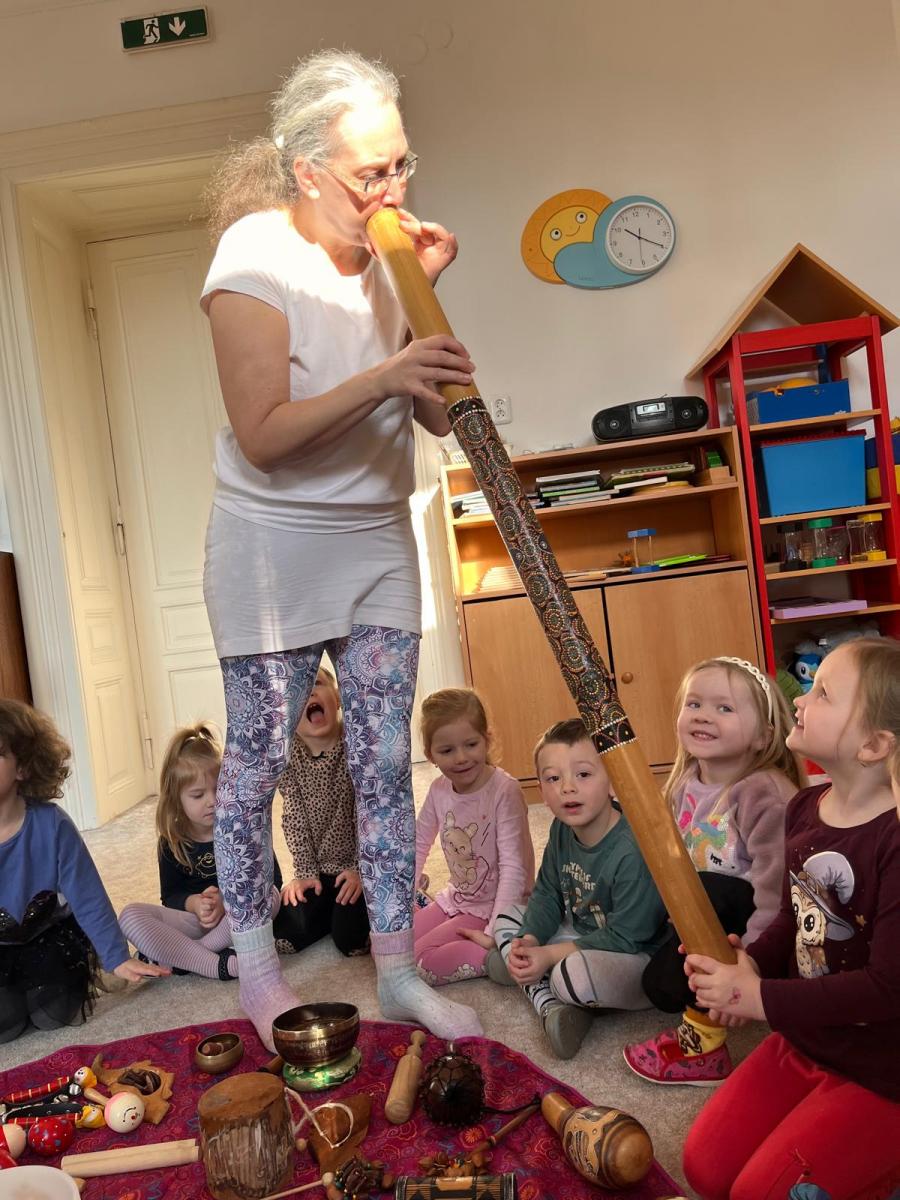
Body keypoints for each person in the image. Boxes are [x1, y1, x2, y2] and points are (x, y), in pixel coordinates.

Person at [200, 48, 481, 1047]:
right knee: (255, 771)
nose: (392, 190)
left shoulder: (394, 261)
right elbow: (265, 435)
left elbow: (439, 417)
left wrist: (423, 295)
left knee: (382, 767)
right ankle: (259, 973)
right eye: (371, 173)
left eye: (402, 165)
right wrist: (385, 374)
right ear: (308, 169)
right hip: (271, 551)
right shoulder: (254, 254)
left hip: (377, 542)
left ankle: (398, 971)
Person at [681, 638, 900, 1200]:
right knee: (705, 1169)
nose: (799, 699)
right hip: (805, 1039)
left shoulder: (894, 838)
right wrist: (746, 965)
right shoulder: (804, 808)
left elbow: (888, 987)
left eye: (823, 693)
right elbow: (790, 916)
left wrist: (760, 999)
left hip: (884, 1072)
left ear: (874, 744)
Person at [624, 656, 803, 1085]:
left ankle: (703, 1044)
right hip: (705, 917)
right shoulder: (684, 780)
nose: (704, 715)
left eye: (724, 708)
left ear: (763, 736)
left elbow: (778, 892)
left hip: (761, 928)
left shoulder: (762, 792)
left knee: (709, 894)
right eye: (694, 704)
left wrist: (751, 964)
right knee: (659, 985)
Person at [485, 718, 666, 1059]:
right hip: (581, 933)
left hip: (633, 954)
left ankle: (543, 990)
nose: (567, 788)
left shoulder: (632, 849)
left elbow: (627, 937)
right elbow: (547, 894)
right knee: (508, 918)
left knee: (572, 975)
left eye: (583, 774)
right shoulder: (561, 829)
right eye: (553, 778)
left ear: (613, 782)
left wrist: (549, 955)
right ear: (541, 790)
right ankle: (551, 999)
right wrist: (531, 940)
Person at [0, 698, 166, 1043]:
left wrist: (116, 957)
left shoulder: (51, 824)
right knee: (7, 1025)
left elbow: (87, 895)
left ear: (23, 768)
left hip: (46, 941)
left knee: (53, 1016)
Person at [119, 724, 285, 978]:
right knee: (129, 916)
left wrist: (226, 902)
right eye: (197, 795)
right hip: (195, 922)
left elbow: (273, 881)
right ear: (176, 800)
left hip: (237, 920)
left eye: (218, 789)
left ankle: (189, 956)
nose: (211, 801)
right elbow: (171, 896)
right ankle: (217, 963)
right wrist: (195, 903)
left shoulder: (244, 826)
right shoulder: (171, 842)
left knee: (270, 895)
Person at [412, 688, 534, 984]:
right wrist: (401, 901)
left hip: (495, 907)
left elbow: (514, 869)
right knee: (389, 948)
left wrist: (496, 932)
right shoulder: (438, 790)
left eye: (471, 744)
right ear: (430, 755)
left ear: (486, 739)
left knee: (419, 961)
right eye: (447, 751)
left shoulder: (504, 791)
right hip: (457, 898)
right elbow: (418, 843)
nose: (461, 758)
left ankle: (500, 959)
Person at [276, 665, 370, 957]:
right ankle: (327, 911)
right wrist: (304, 873)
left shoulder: (355, 746)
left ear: (338, 697)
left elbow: (366, 814)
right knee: (286, 931)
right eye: (298, 691)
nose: (309, 693)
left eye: (315, 683)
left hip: (358, 868)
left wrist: (360, 869)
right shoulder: (290, 758)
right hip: (318, 871)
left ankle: (345, 914)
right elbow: (294, 818)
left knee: (351, 940)